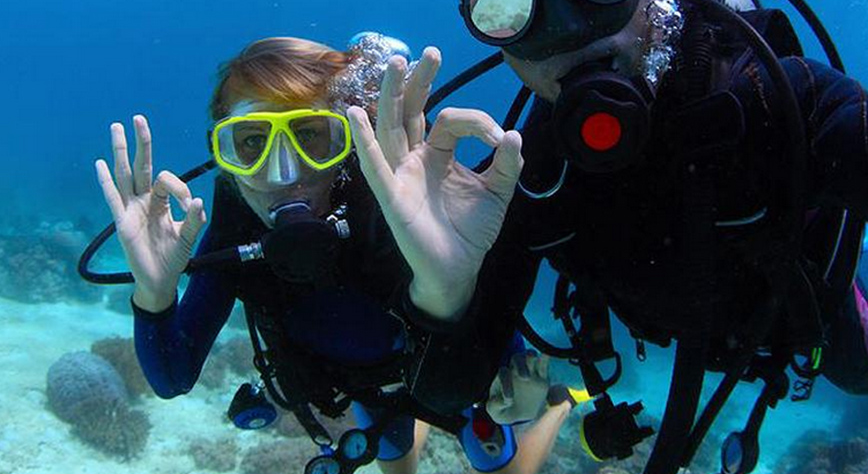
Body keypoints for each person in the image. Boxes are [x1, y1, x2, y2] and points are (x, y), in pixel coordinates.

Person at [346, 0, 868, 474]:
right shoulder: (522, 177)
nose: (567, 28)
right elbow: (447, 391)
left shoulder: (773, 97)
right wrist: (445, 290)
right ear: (497, 43)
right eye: (509, 6)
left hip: (803, 321)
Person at [94, 34, 575, 474]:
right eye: (251, 144)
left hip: (448, 362)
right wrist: (154, 294)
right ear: (226, 158)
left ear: (345, 141)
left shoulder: (392, 202)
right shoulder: (234, 226)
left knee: (501, 468)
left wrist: (510, 362)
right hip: (365, 388)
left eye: (309, 136)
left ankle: (562, 405)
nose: (283, 174)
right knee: (395, 463)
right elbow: (172, 376)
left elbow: (473, 291)